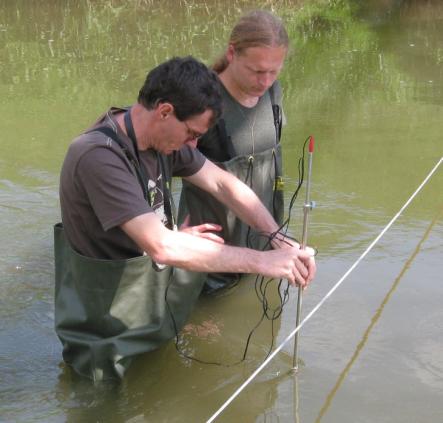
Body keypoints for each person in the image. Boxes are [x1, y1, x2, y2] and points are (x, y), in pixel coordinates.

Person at [55, 56, 315, 382]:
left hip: (144, 288)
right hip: (104, 313)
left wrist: (277, 236)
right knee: (104, 394)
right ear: (164, 111)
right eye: (192, 134)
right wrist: (264, 262)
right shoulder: (99, 156)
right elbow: (162, 247)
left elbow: (223, 184)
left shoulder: (162, 137)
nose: (194, 146)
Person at [178, 10, 295, 293]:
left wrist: (279, 239)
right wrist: (169, 233)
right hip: (210, 262)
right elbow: (151, 171)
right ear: (232, 53)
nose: (265, 80)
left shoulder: (272, 91)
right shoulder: (200, 101)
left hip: (266, 249)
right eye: (256, 71)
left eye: (273, 71)